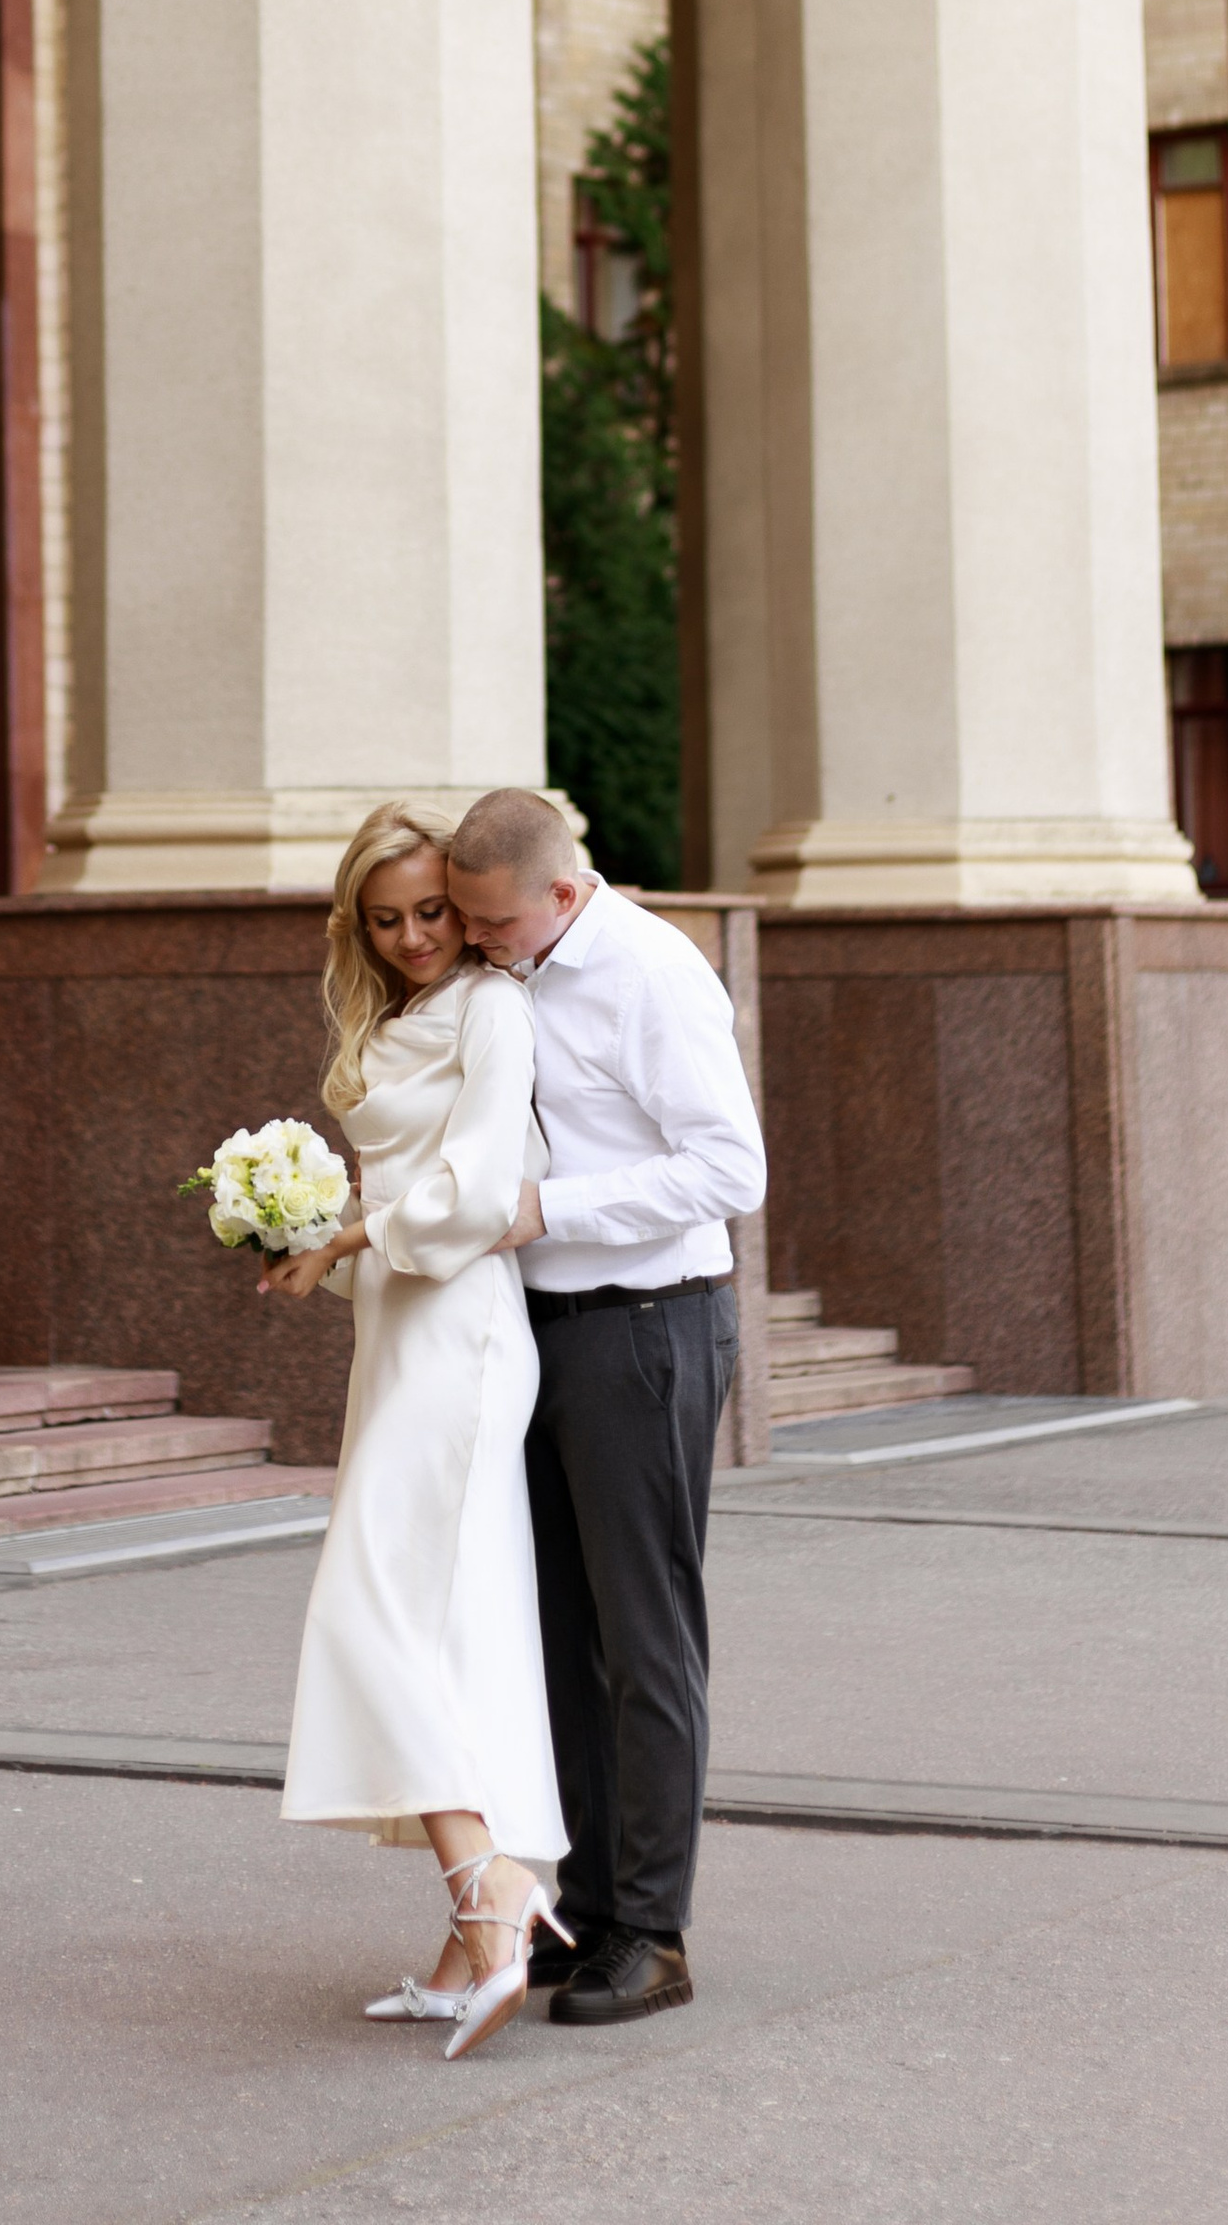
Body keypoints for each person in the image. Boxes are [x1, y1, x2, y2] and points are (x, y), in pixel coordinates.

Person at [446, 786, 768, 2030]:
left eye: (493, 920)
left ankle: (654, 1931)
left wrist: (551, 1211)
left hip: (647, 1327)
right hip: (540, 1333)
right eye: (466, 920)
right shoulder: (506, 974)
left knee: (645, 1637)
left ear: (565, 892)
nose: (475, 940)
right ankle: (586, 1912)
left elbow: (731, 1169)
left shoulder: (651, 972)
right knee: (560, 1640)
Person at [265, 797, 572, 2058]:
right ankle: (467, 1952)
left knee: (368, 1608)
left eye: (433, 912)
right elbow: (393, 1200)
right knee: (454, 1632)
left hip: (464, 1337)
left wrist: (349, 1233)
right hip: (395, 1336)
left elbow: (481, 1191)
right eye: (385, 920)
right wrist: (301, 1235)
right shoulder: (388, 1022)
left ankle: (490, 1887)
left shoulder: (494, 1008)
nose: (413, 938)